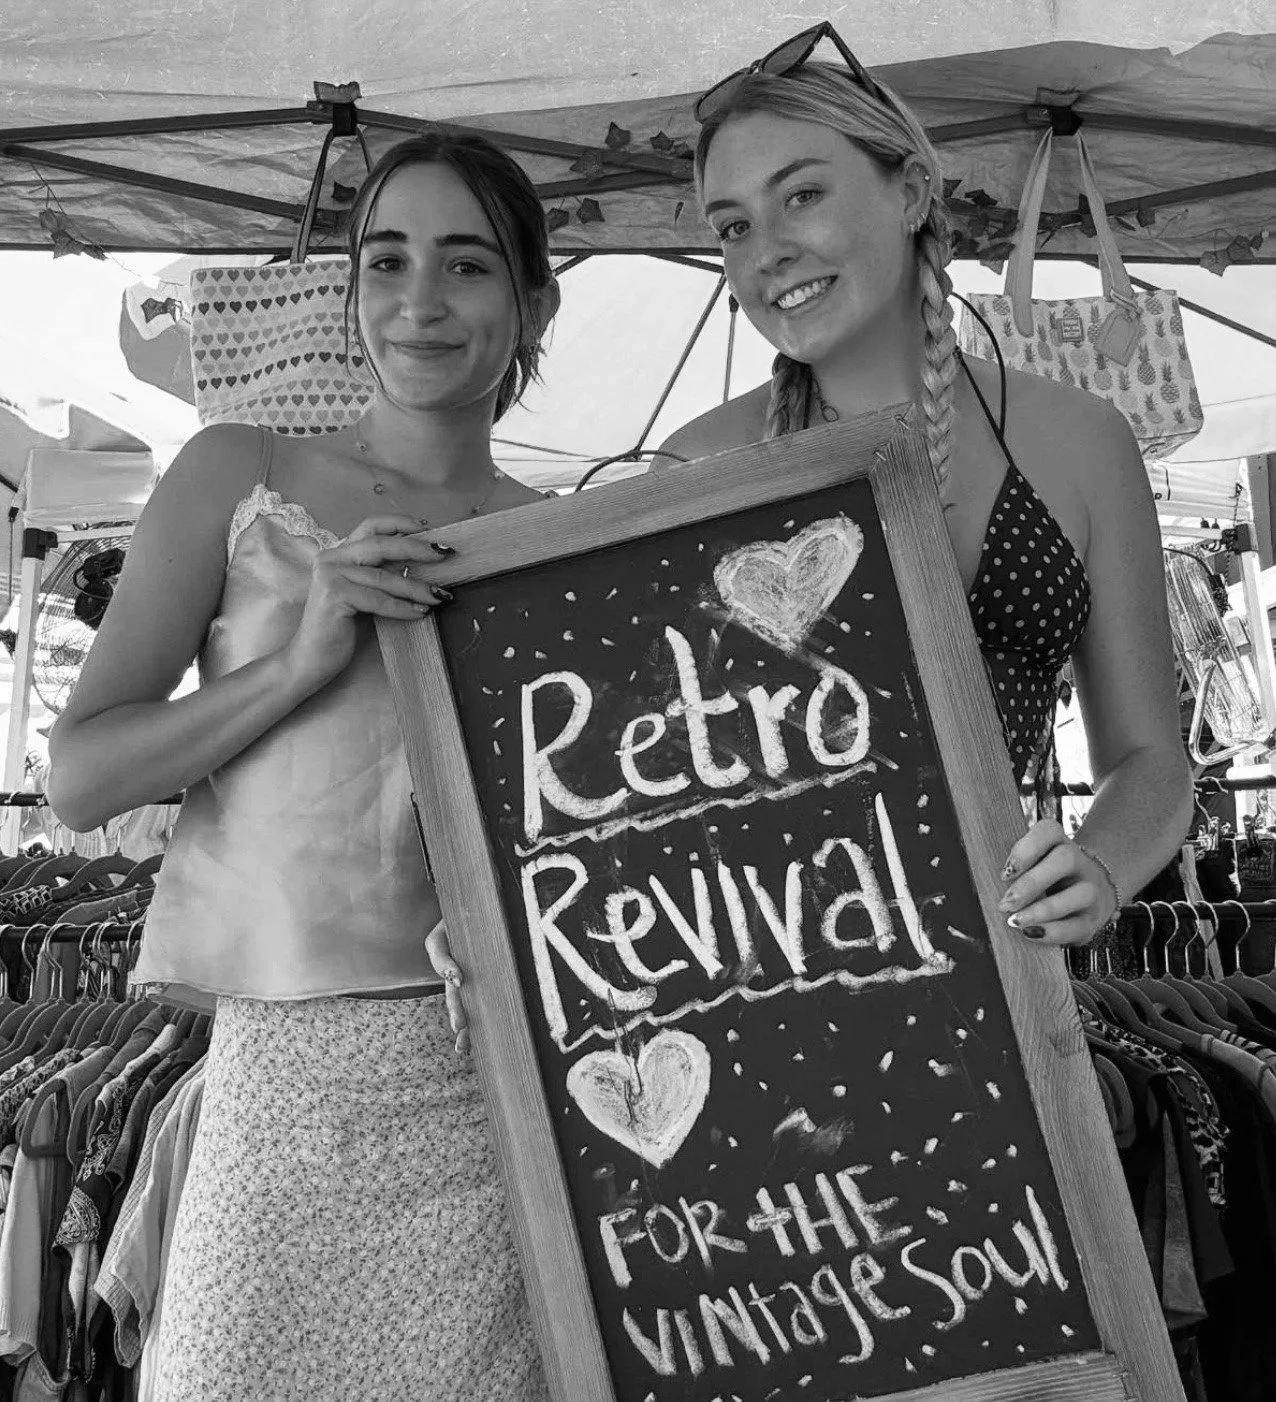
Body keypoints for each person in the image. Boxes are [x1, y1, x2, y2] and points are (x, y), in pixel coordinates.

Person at [46, 131, 558, 1399]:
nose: (418, 301)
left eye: (466, 264)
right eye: (386, 260)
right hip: (283, 1085)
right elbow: (82, 775)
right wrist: (295, 662)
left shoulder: (572, 542)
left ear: (535, 302)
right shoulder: (239, 472)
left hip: (504, 1097)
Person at [657, 23, 1192, 948]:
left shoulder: (1081, 441)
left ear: (909, 191)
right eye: (734, 227)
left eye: (802, 196)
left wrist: (1100, 867)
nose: (765, 251)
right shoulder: (692, 469)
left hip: (1006, 962)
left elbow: (1150, 757)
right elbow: (645, 783)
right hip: (766, 970)